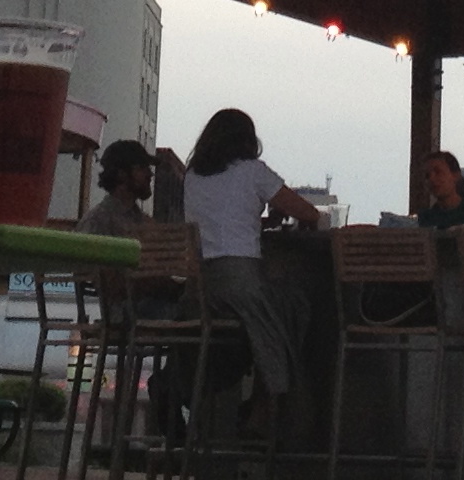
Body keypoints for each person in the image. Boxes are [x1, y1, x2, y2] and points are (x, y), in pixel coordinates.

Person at [179, 106, 325, 431]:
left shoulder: (192, 176)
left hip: (199, 292)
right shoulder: (253, 171)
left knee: (268, 314)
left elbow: (222, 220)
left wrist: (259, 221)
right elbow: (308, 213)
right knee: (292, 304)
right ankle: (272, 404)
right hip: (240, 287)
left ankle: (252, 406)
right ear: (248, 139)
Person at [80, 138, 156, 240]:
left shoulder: (146, 223)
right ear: (121, 174)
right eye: (141, 168)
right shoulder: (97, 222)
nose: (150, 174)